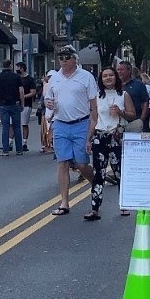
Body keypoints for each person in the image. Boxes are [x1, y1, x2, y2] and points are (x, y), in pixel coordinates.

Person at [45, 45, 98, 215]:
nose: (64, 61)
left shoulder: (86, 77)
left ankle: (96, 183)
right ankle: (64, 203)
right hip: (61, 123)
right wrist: (48, 104)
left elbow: (94, 104)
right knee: (63, 163)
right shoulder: (55, 77)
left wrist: (94, 126)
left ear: (75, 59)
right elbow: (48, 98)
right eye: (61, 58)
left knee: (82, 164)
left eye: (67, 57)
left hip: (81, 123)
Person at [83, 67, 135, 221]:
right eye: (104, 76)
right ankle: (95, 208)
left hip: (116, 136)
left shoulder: (123, 95)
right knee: (98, 174)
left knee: (119, 171)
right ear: (101, 79)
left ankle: (124, 204)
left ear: (116, 77)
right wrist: (89, 139)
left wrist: (120, 112)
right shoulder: (97, 97)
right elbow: (94, 119)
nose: (108, 78)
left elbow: (132, 115)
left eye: (111, 75)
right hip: (100, 136)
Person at [0, 59, 24, 156]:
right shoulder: (16, 77)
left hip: (3, 104)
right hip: (15, 103)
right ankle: (19, 149)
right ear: (10, 65)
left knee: (5, 127)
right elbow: (21, 91)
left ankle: (5, 150)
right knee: (17, 127)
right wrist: (22, 103)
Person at [115, 61, 149, 135]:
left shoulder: (139, 85)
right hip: (118, 123)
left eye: (122, 70)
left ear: (129, 70)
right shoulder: (114, 85)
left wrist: (142, 119)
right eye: (118, 70)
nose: (119, 72)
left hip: (135, 121)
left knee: (143, 138)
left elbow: (145, 102)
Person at [17, 61, 37, 152]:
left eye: (18, 67)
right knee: (12, 124)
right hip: (16, 104)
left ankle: (24, 142)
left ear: (22, 68)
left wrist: (23, 97)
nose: (16, 69)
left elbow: (33, 92)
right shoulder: (16, 78)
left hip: (26, 104)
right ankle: (10, 142)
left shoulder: (29, 79)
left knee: (24, 123)